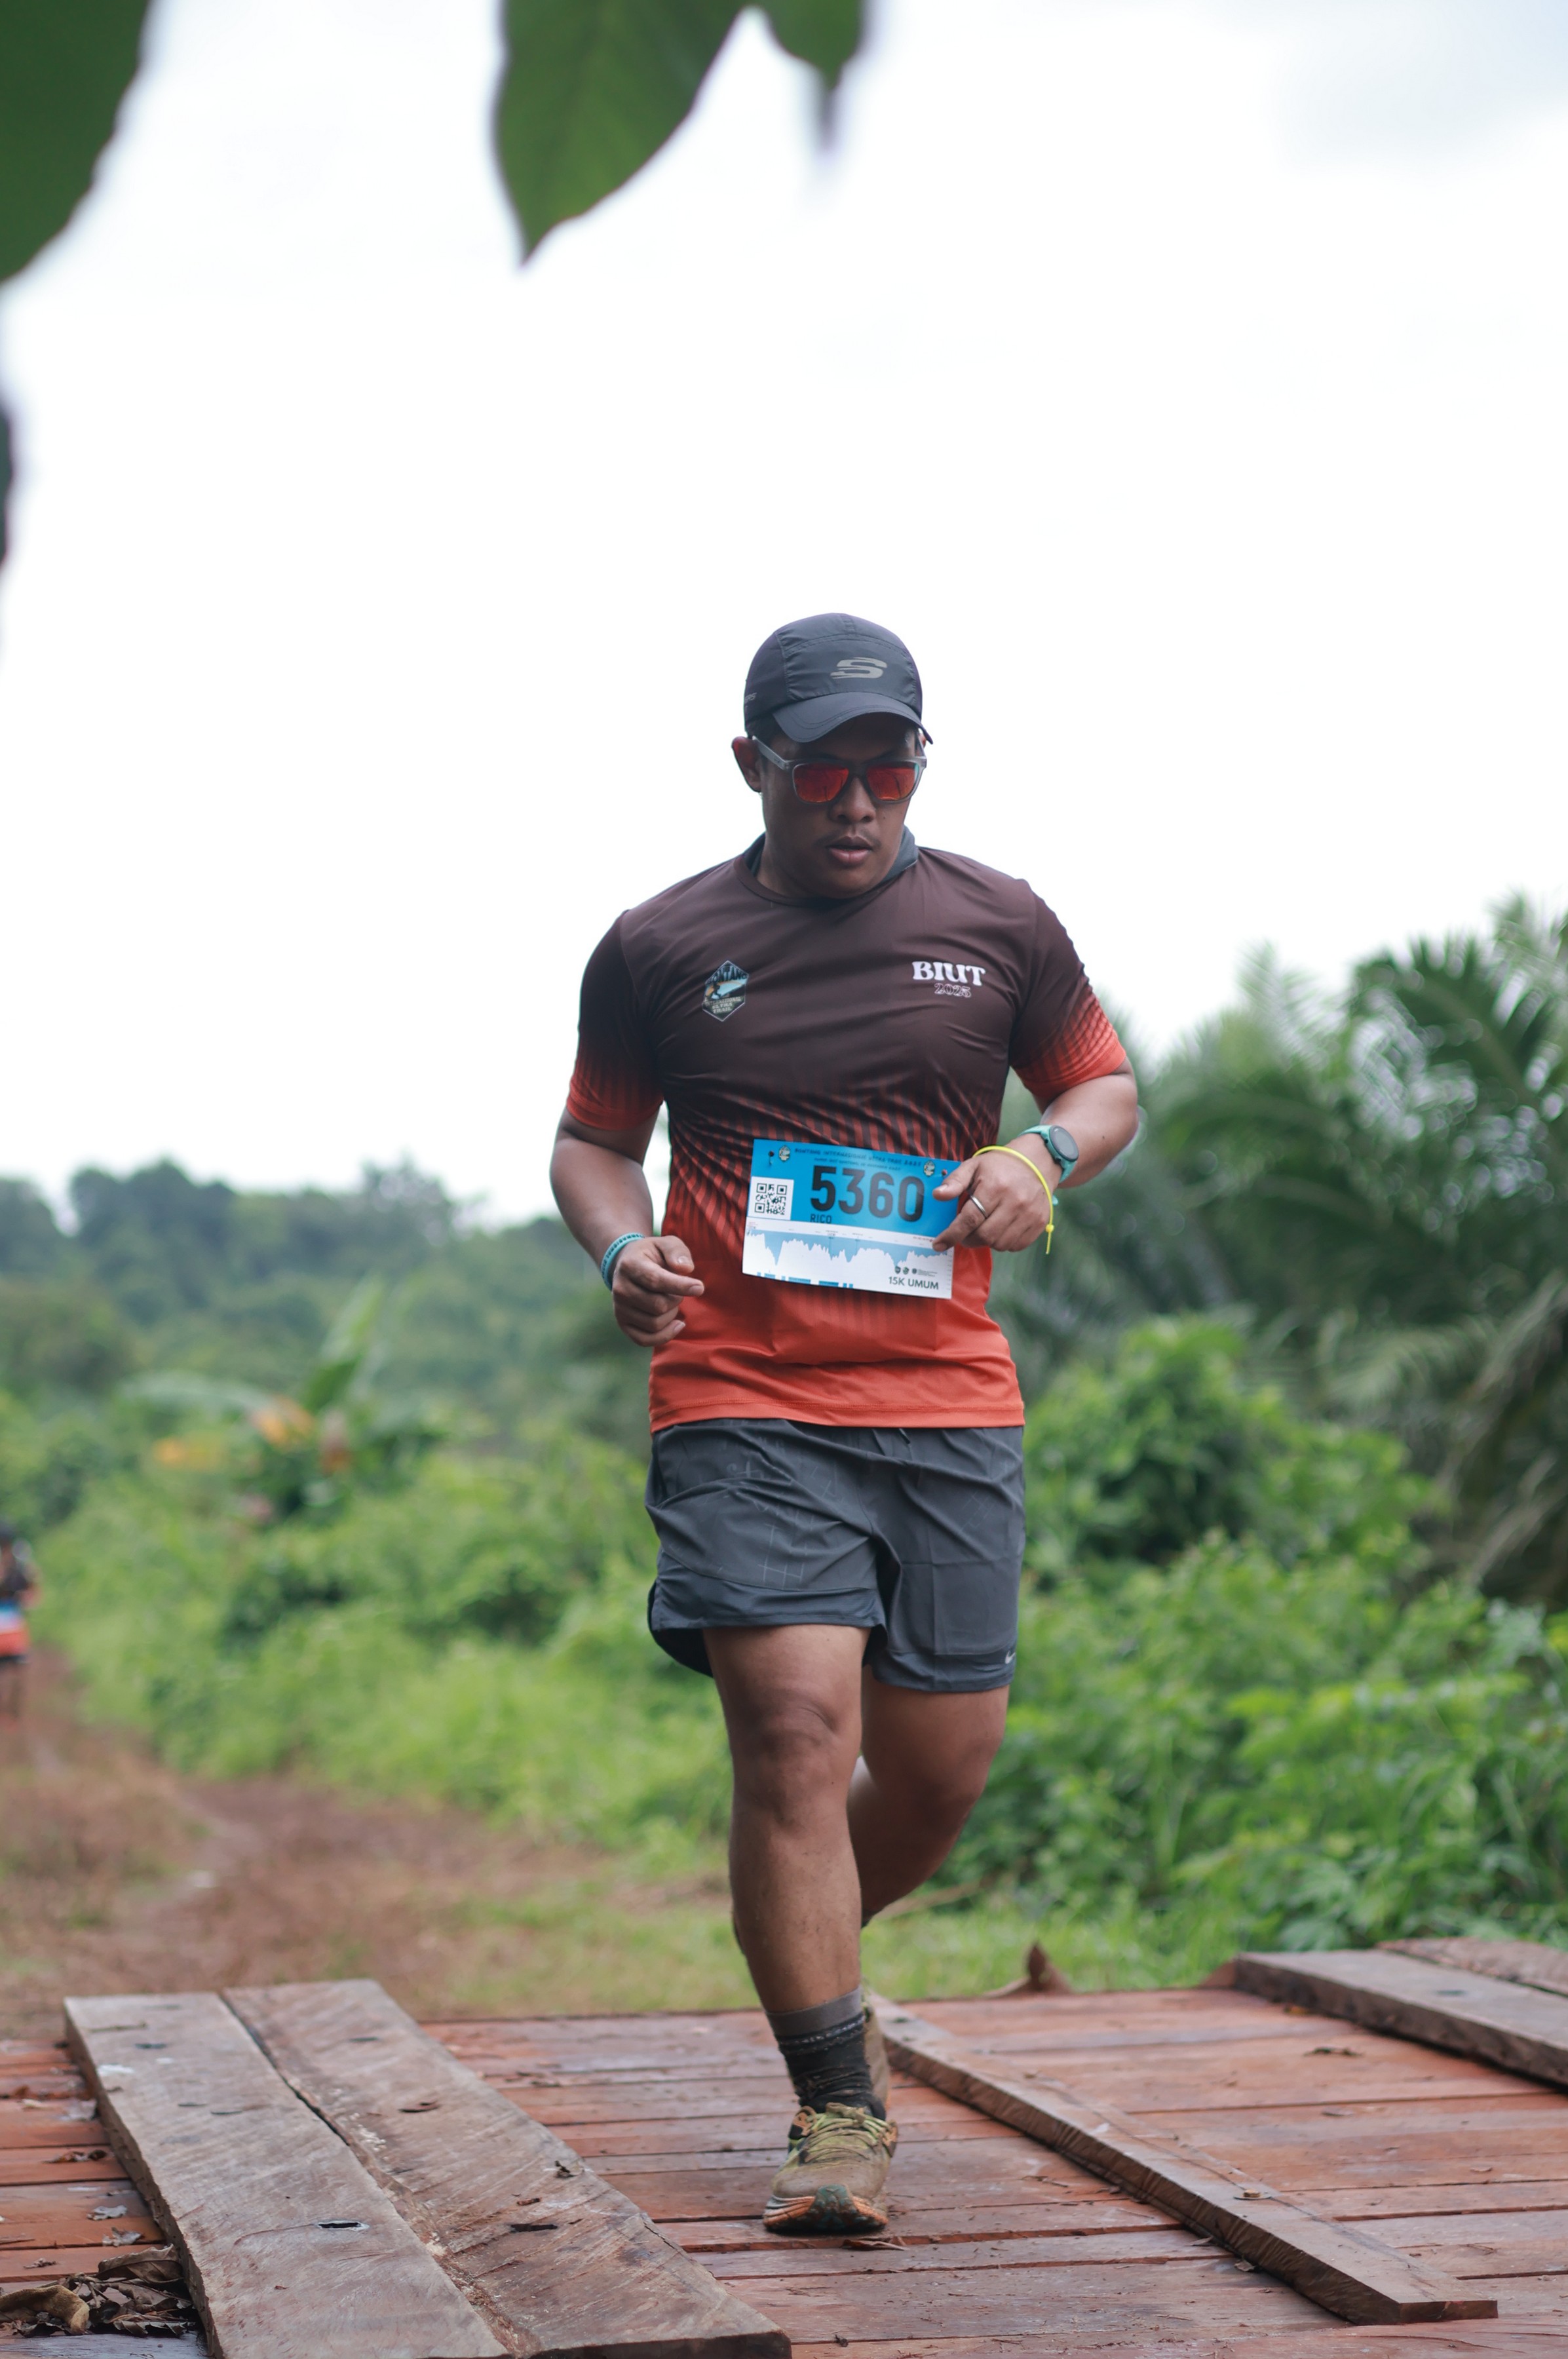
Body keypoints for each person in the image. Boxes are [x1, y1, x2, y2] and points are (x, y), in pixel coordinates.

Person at [550, 613, 1139, 2235]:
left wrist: (1036, 1159)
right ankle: (836, 2105)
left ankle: (791, 1917)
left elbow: (1099, 1087)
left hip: (943, 1400)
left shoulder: (998, 925)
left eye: (893, 767)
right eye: (824, 772)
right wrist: (619, 1248)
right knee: (796, 1734)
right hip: (740, 1393)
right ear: (754, 766)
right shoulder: (660, 946)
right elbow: (591, 1142)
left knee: (936, 1773)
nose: (861, 801)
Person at [0, 1518, 41, 1719]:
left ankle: (11, 1713)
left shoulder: (20, 1564)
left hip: (13, 1625)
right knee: (16, 1673)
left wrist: (26, 1598)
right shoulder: (20, 1563)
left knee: (17, 1672)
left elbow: (32, 1591)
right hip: (13, 1626)